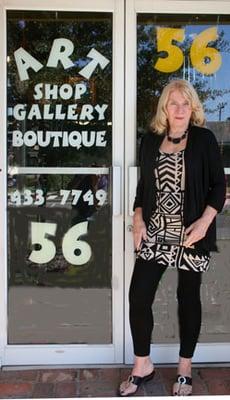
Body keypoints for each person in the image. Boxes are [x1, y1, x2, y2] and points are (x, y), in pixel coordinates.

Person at [118, 79, 226, 396]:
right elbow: (142, 189)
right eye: (173, 102)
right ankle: (143, 365)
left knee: (187, 298)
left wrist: (206, 222)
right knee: (138, 296)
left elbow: (218, 187)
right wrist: (137, 220)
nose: (179, 109)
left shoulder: (204, 140)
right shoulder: (150, 141)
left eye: (185, 102)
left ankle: (184, 367)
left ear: (192, 107)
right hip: (155, 230)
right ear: (164, 107)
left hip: (192, 232)